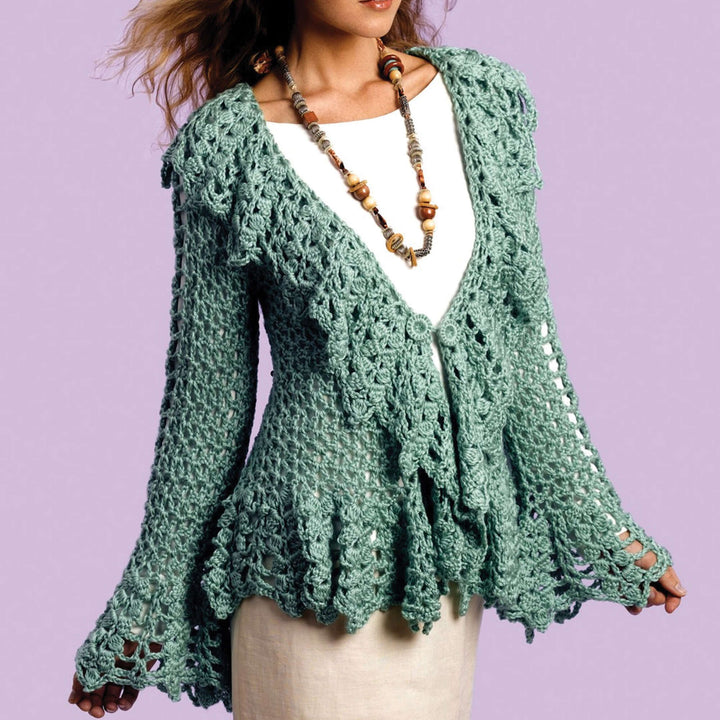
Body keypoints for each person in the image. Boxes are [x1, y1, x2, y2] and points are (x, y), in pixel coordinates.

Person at [67, 1, 687, 718]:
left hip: (446, 570)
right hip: (308, 570)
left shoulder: (482, 100)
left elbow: (521, 346)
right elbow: (207, 409)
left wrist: (599, 522)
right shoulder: (229, 147)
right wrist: (144, 608)